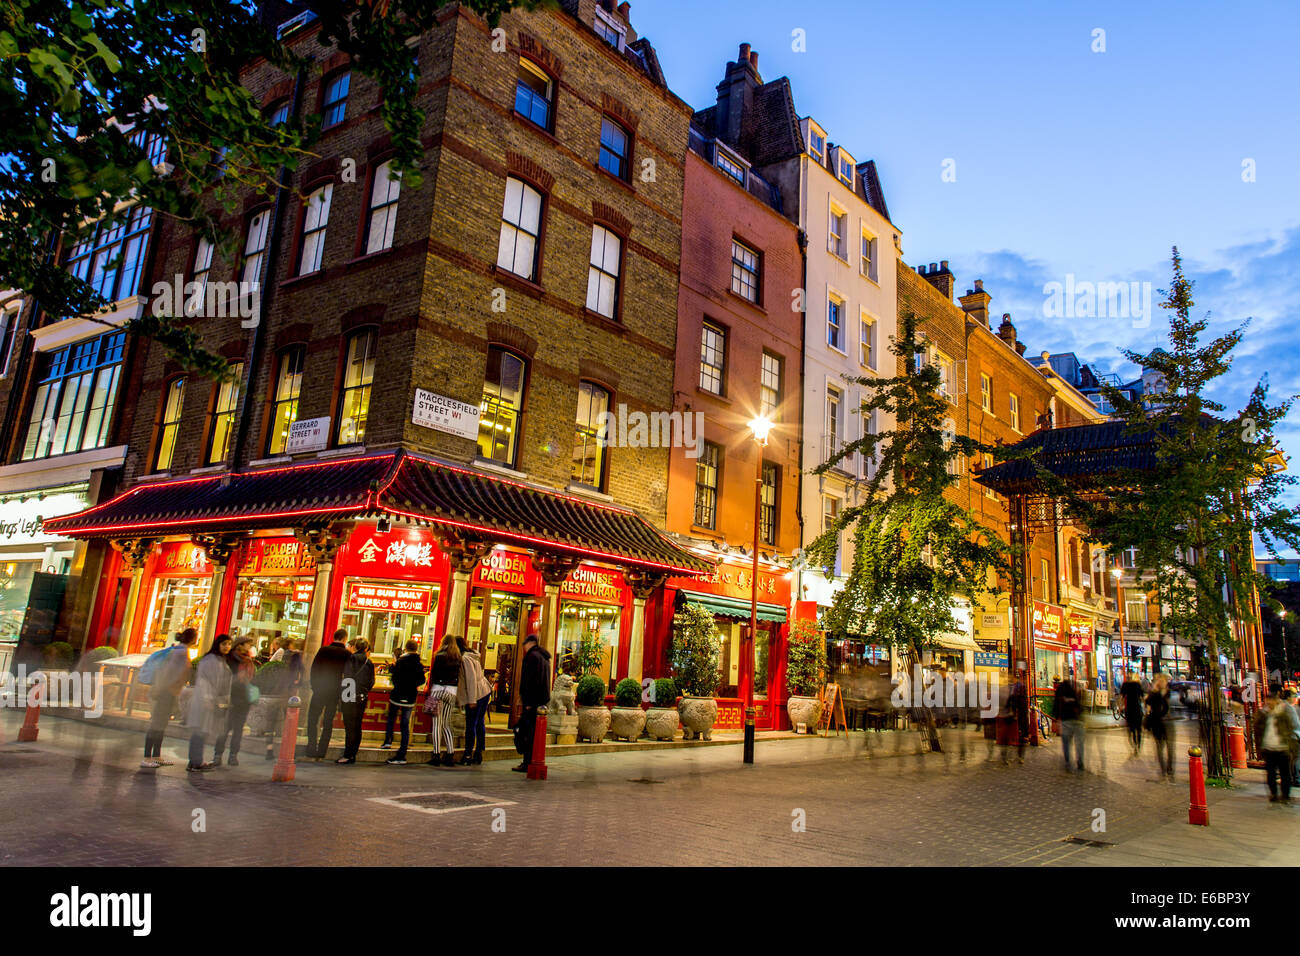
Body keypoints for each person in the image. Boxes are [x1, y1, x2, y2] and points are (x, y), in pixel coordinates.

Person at [141, 628, 197, 769]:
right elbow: (169, 674)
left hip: (168, 692)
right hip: (166, 693)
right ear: (192, 638)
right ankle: (147, 757)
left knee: (161, 724)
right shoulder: (180, 653)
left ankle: (156, 755)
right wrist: (163, 690)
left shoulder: (179, 651)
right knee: (157, 724)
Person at [186, 634, 233, 772]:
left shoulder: (221, 660)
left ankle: (196, 760)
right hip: (205, 701)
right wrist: (207, 699)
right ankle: (195, 762)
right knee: (200, 731)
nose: (227, 647)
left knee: (203, 731)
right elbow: (204, 680)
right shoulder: (210, 660)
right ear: (218, 644)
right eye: (224, 644)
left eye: (229, 644)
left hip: (212, 700)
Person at [306, 628, 352, 759]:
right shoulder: (346, 654)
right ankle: (322, 750)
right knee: (328, 721)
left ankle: (311, 748)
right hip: (334, 691)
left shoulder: (323, 650)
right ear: (344, 639)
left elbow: (314, 669)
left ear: (334, 637)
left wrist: (314, 686)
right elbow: (348, 676)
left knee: (313, 719)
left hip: (320, 689)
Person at [212, 636, 256, 766]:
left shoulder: (249, 662)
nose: (249, 647)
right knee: (224, 728)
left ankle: (233, 755)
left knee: (238, 729)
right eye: (248, 644)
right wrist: (237, 678)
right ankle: (218, 754)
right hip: (229, 698)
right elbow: (223, 679)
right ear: (239, 646)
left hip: (243, 700)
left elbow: (252, 681)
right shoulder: (229, 659)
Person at [383, 639, 426, 765]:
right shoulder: (418, 663)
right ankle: (402, 753)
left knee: (391, 718)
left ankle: (388, 741)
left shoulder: (400, 661)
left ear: (406, 648)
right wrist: (413, 685)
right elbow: (421, 680)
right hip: (410, 697)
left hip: (397, 695)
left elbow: (394, 678)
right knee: (405, 725)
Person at [1253, 689, 1300, 803]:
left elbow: (1293, 725)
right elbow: (1258, 729)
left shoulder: (1284, 712)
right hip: (1268, 747)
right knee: (1271, 774)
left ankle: (1285, 795)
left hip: (1282, 747)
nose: (1270, 703)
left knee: (1285, 773)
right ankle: (1274, 794)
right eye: (1268, 700)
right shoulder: (1263, 714)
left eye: (1272, 700)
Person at [513, 633, 551, 773]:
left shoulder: (532, 657)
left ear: (529, 644)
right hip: (542, 701)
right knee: (533, 733)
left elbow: (530, 681)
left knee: (525, 732)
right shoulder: (544, 657)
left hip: (532, 701)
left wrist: (527, 701)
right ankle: (531, 760)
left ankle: (527, 761)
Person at [425, 633, 462, 768]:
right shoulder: (457, 657)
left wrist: (429, 691)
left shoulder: (439, 656)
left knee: (437, 723)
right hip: (451, 691)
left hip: (438, 689)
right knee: (447, 723)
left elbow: (434, 675)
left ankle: (436, 754)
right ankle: (450, 754)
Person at [337, 638, 375, 764]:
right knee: (357, 725)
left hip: (349, 695)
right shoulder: (369, 662)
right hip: (362, 696)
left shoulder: (351, 659)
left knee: (349, 726)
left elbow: (347, 677)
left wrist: (345, 695)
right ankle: (353, 753)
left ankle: (348, 754)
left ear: (355, 647)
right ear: (366, 648)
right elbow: (371, 682)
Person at [456, 636, 493, 765]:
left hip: (477, 693)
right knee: (479, 722)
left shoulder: (465, 659)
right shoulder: (473, 656)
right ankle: (478, 752)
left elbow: (470, 680)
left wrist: (472, 700)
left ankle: (467, 754)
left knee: (471, 723)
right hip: (484, 691)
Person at [1145, 673, 1174, 781]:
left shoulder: (1168, 693)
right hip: (1157, 723)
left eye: (1163, 681)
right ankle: (1163, 770)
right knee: (1159, 747)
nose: (1161, 683)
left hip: (1168, 723)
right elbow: (1147, 701)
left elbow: (1169, 707)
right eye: (1159, 681)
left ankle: (1169, 768)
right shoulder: (1155, 694)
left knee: (1169, 747)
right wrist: (1154, 690)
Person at [1054, 674, 1084, 772]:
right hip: (1077, 720)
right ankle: (1080, 762)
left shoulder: (1060, 694)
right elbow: (1080, 707)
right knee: (1079, 743)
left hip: (1066, 720)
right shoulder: (1075, 694)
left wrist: (1056, 720)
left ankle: (1068, 763)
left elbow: (1056, 707)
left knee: (1066, 743)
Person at [1120, 670, 1145, 757]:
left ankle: (1136, 744)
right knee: (1136, 729)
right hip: (1135, 708)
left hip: (1131, 708)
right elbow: (1142, 697)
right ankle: (1136, 744)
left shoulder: (1127, 685)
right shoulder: (1136, 684)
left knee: (1134, 728)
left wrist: (1120, 706)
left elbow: (1122, 697)